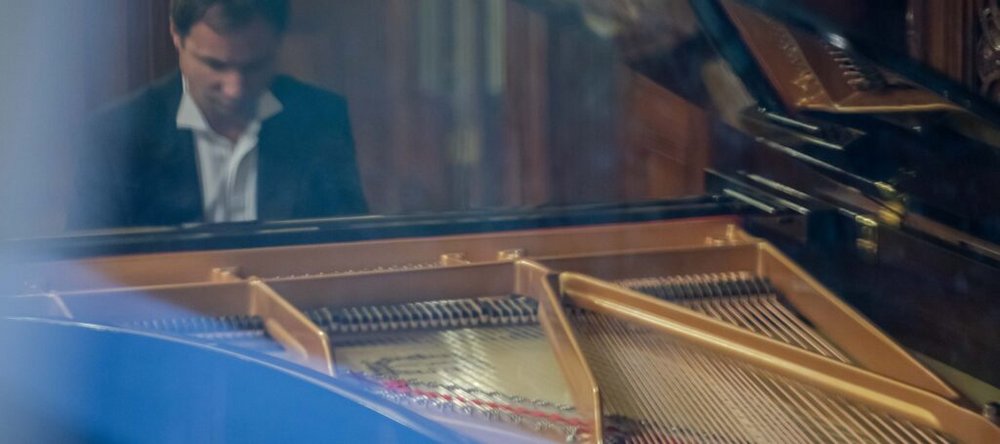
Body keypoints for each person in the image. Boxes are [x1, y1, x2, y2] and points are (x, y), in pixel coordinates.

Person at [68, 0, 367, 229]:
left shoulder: (322, 119)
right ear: (177, 36)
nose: (234, 89)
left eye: (254, 66)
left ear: (278, 41)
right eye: (215, 65)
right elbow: (88, 272)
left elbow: (350, 249)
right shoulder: (115, 135)